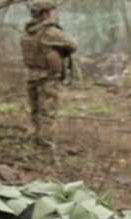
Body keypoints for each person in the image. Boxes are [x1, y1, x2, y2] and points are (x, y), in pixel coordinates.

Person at [19, 0, 77, 148]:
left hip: (31, 75)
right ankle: (45, 144)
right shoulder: (49, 32)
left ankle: (33, 139)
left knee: (35, 110)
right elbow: (72, 44)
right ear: (45, 14)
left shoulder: (27, 32)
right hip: (47, 77)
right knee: (48, 113)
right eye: (49, 12)